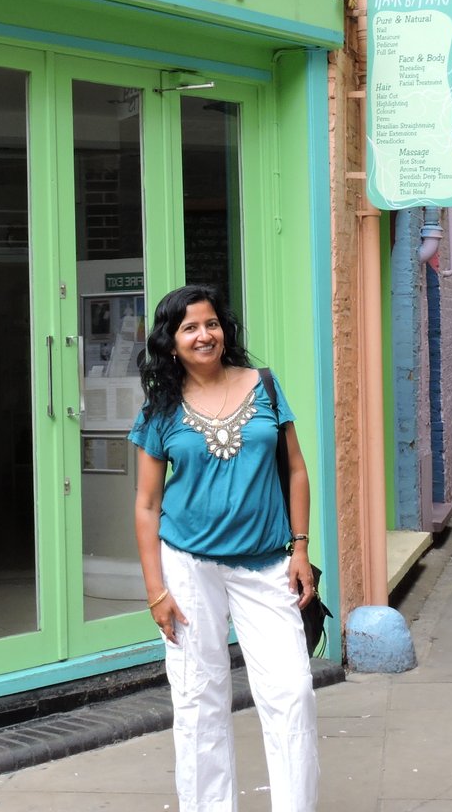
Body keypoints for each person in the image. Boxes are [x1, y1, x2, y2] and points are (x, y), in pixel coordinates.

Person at [129, 284, 318, 811]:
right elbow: (146, 505)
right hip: (188, 568)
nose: (203, 335)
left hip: (266, 565)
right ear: (171, 343)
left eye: (210, 324)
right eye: (189, 328)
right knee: (197, 701)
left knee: (292, 693)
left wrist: (300, 548)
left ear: (224, 330)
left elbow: (296, 470)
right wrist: (155, 591)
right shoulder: (160, 408)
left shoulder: (265, 386)